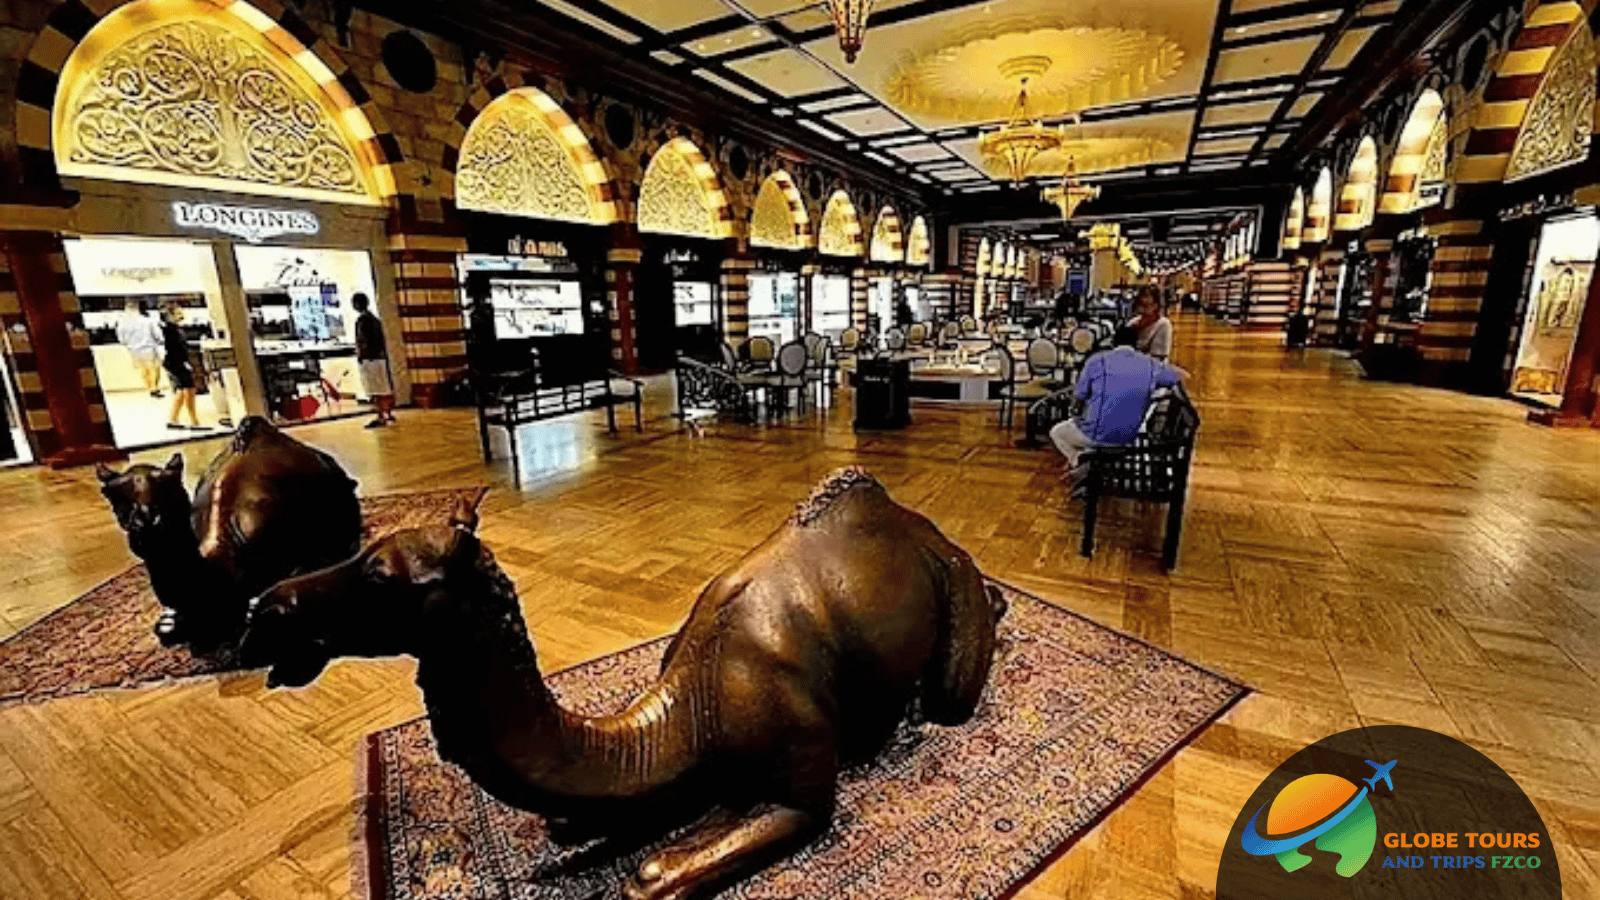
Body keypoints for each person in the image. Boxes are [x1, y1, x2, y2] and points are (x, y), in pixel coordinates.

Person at [1049, 325, 1186, 475]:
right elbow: (1182, 376)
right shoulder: (1151, 365)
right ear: (1137, 344)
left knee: (1057, 432)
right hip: (1129, 436)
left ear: (1113, 342)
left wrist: (1076, 413)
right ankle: (1091, 461)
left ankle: (1081, 461)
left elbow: (1079, 397)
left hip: (1095, 434)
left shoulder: (1096, 361)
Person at [160, 302, 206, 432]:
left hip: (174, 363)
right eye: (178, 312)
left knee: (181, 391)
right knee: (189, 390)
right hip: (177, 363)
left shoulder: (172, 329)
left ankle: (173, 419)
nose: (182, 314)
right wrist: (185, 363)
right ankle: (194, 421)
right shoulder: (171, 330)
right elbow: (175, 349)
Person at [353, 293, 396, 428]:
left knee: (375, 389)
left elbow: (363, 341)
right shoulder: (375, 320)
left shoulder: (363, 321)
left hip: (370, 358)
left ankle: (381, 415)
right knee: (383, 387)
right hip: (378, 357)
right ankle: (387, 413)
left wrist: (362, 354)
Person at [116, 300, 164, 398]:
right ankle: (154, 389)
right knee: (154, 369)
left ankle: (150, 388)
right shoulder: (149, 320)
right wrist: (160, 341)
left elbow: (121, 338)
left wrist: (128, 344)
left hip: (134, 350)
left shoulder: (123, 322)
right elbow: (158, 335)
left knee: (144, 369)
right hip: (149, 348)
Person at [1130, 286, 1173, 360]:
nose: (1143, 299)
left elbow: (1158, 358)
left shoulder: (1163, 324)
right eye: (1140, 304)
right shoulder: (1132, 323)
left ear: (1156, 305)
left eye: (1146, 305)